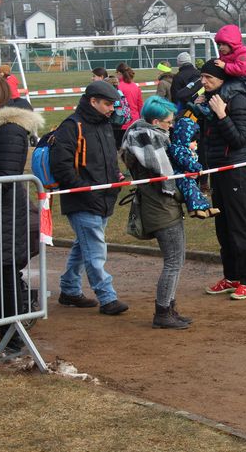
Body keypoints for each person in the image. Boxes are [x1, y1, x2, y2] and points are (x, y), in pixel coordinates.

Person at [51, 81, 128, 315]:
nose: (112, 109)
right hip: (81, 200)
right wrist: (85, 189)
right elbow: (61, 166)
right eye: (108, 104)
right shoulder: (71, 126)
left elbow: (109, 159)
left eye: (113, 104)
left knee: (84, 245)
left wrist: (116, 177)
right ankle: (107, 297)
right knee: (95, 249)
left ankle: (69, 289)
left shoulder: (105, 125)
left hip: (104, 197)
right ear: (93, 101)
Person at [120, 96, 191, 329]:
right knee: (173, 262)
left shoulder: (142, 138)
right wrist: (189, 195)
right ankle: (162, 312)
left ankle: (169, 308)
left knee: (177, 260)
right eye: (168, 122)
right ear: (155, 122)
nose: (171, 126)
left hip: (161, 207)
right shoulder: (150, 143)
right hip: (161, 208)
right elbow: (167, 182)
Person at [199, 60, 246, 301]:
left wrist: (221, 114)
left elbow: (239, 140)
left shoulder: (238, 101)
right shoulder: (211, 99)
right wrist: (202, 110)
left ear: (222, 80)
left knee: (238, 226)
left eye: (209, 78)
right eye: (202, 77)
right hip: (217, 169)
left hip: (235, 169)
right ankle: (231, 277)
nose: (203, 82)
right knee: (222, 227)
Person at [0, 75, 43, 353]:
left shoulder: (9, 129)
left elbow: (5, 177)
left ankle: (12, 339)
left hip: (3, 218)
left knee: (4, 277)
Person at [168, 116, 220, 219]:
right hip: (180, 176)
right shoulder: (178, 149)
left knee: (196, 190)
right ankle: (195, 209)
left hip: (186, 175)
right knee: (191, 190)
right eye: (194, 141)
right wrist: (198, 168)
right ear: (186, 139)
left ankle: (206, 208)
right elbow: (186, 161)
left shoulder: (186, 150)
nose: (196, 144)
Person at [115, 63, 143, 147]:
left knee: (120, 147)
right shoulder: (135, 86)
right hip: (135, 121)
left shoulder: (118, 87)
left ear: (119, 73)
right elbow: (140, 105)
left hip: (122, 122)